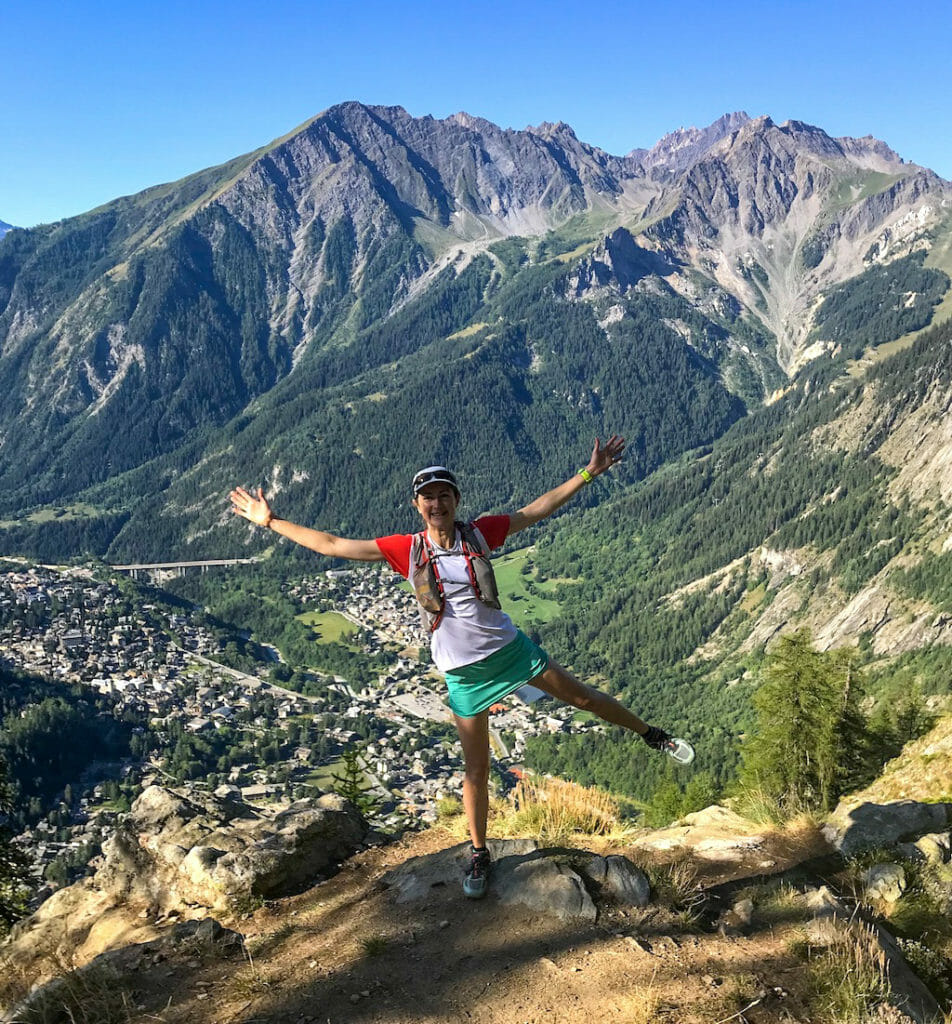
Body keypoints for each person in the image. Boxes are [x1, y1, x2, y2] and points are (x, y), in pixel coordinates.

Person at [229, 436, 673, 899]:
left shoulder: (479, 534)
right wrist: (271, 521)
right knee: (476, 769)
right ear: (417, 505)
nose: (436, 503)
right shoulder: (405, 549)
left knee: (583, 697)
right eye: (428, 497)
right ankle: (479, 852)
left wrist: (588, 473)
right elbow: (332, 545)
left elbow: (536, 510)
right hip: (463, 674)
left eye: (444, 495)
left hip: (510, 651)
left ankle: (650, 734)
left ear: (456, 501)